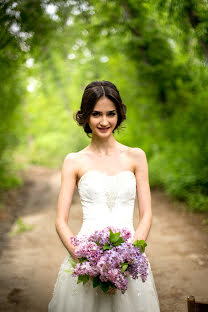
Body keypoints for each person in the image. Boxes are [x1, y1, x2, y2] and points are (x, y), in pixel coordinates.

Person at [48, 80, 160, 311]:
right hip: (86, 259)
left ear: (119, 114)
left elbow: (147, 213)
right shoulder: (73, 161)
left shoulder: (136, 157)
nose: (104, 121)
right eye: (96, 114)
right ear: (86, 116)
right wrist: (87, 263)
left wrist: (130, 257)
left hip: (128, 259)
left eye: (111, 113)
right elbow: (60, 221)